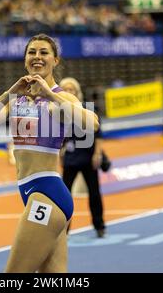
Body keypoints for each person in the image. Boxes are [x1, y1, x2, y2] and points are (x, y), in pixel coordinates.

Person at [0, 34, 99, 272]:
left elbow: (92, 124)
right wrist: (11, 92)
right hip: (31, 192)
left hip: (47, 193)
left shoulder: (61, 96)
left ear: (55, 60)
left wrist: (49, 94)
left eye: (43, 52)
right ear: (25, 59)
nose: (37, 57)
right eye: (32, 52)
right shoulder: (17, 98)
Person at [59, 77, 106, 238]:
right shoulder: (59, 112)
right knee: (64, 197)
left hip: (88, 158)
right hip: (70, 160)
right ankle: (64, 230)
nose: (68, 92)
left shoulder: (86, 109)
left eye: (71, 89)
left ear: (77, 92)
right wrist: (60, 152)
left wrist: (97, 153)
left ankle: (99, 226)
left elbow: (98, 134)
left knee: (94, 194)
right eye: (65, 89)